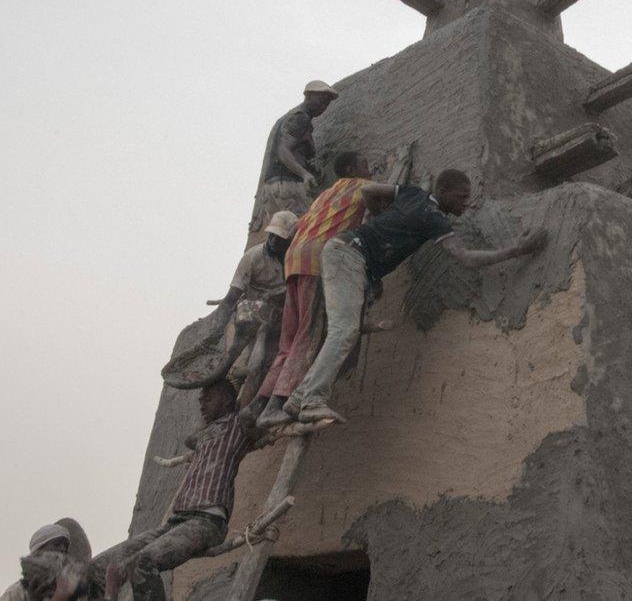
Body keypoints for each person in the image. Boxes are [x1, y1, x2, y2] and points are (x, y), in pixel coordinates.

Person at [285, 168, 547, 424]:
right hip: (349, 256)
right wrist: (516, 250)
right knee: (345, 331)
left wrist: (377, 220)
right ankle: (312, 400)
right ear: (442, 191)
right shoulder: (433, 217)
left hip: (345, 250)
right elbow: (466, 258)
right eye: (460, 197)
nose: (465, 204)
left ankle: (298, 398)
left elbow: (368, 190)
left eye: (468, 198)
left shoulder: (411, 193)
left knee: (345, 330)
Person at [242, 151, 375, 429]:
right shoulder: (360, 186)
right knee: (307, 335)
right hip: (315, 262)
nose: (369, 167)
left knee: (287, 343)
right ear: (351, 168)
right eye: (364, 164)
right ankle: (278, 402)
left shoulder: (325, 195)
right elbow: (386, 196)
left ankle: (259, 405)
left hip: (294, 262)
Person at [93, 380, 255, 601]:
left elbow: (254, 377)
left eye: (207, 398)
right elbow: (192, 438)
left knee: (142, 563)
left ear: (227, 399)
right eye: (200, 400)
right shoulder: (203, 436)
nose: (201, 404)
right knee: (96, 568)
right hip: (176, 522)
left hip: (207, 522)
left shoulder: (236, 425)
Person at [160, 211, 298, 391]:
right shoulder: (253, 257)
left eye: (279, 238)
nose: (273, 241)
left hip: (280, 315)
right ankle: (234, 369)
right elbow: (230, 300)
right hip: (250, 314)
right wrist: (215, 331)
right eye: (272, 236)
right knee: (243, 351)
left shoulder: (293, 260)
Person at [248, 80, 338, 239]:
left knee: (281, 235)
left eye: (326, 103)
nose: (323, 106)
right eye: (321, 100)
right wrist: (304, 174)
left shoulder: (294, 119)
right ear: (309, 96)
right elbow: (283, 150)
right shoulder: (300, 118)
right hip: (288, 185)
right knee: (303, 231)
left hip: (273, 187)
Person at [2, 526, 72, 601]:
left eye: (66, 546)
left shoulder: (74, 587)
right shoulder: (15, 592)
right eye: (57, 544)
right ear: (39, 550)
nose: (63, 549)